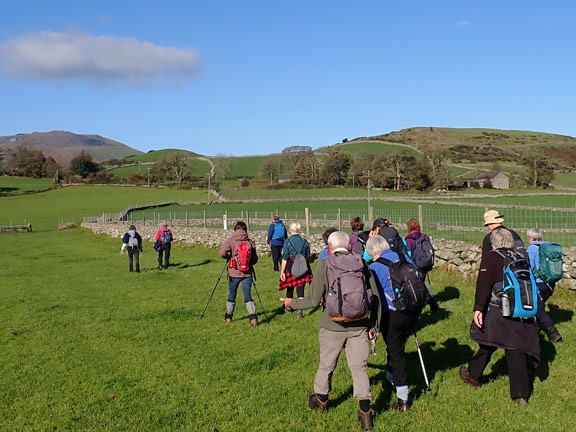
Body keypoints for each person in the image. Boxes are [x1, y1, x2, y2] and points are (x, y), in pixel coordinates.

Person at [280, 231, 381, 430]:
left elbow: (312, 299)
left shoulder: (325, 264)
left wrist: (293, 303)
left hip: (331, 325)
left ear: (331, 248)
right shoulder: (362, 263)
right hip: (360, 325)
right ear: (350, 247)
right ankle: (366, 413)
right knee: (359, 369)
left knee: (327, 364)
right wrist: (374, 326)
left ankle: (321, 400)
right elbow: (375, 296)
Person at [460, 229, 540, 405]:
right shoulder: (519, 256)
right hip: (519, 308)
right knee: (515, 347)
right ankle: (521, 395)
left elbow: (484, 285)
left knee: (488, 341)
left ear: (493, 242)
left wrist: (478, 308)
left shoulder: (491, 257)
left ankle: (473, 376)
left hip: (498, 308)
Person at [366, 235, 422, 411]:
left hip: (392, 315)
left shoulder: (374, 268)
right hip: (412, 311)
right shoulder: (404, 256)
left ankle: (402, 399)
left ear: (373, 252)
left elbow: (373, 298)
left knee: (397, 354)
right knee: (395, 347)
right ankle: (389, 379)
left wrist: (372, 323)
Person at [219, 221, 259, 326]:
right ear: (245, 230)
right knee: (248, 296)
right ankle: (253, 318)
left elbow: (222, 252)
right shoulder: (250, 242)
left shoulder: (232, 240)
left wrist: (230, 258)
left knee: (232, 294)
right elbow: (255, 259)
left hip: (233, 273)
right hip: (247, 274)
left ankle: (228, 317)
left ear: (235, 229)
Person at [526, 228, 562, 342]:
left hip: (538, 283)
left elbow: (530, 266)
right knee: (538, 306)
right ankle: (534, 331)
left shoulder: (532, 248)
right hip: (550, 283)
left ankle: (553, 332)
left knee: (539, 309)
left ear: (531, 238)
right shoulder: (549, 247)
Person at [279, 222, 313, 317]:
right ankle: (300, 310)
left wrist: (282, 271)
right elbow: (308, 256)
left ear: (291, 230)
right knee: (300, 287)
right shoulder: (305, 241)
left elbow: (285, 257)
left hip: (290, 265)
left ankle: (288, 307)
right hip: (303, 265)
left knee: (290, 286)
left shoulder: (288, 242)